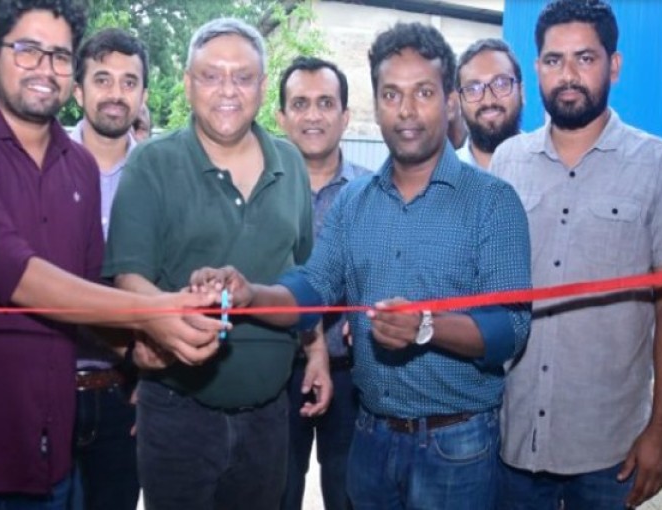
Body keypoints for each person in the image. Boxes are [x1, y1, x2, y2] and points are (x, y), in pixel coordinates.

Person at [191, 22, 532, 510]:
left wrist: (426, 327)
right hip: (369, 440)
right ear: (376, 104)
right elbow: (312, 288)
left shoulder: (493, 201)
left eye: (423, 93)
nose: (407, 111)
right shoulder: (353, 203)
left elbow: (510, 328)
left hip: (457, 448)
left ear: (451, 101)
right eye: (392, 94)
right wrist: (252, 294)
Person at [0, 1, 223, 506]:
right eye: (27, 50)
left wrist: (143, 352)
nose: (44, 69)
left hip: (52, 456)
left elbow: (90, 295)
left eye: (58, 55)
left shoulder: (80, 168)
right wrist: (156, 310)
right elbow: (11, 272)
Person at [102, 18, 325, 510]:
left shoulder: (291, 168)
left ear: (263, 88)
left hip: (269, 416)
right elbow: (128, 277)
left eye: (243, 77)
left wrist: (317, 354)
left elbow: (306, 276)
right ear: (187, 84)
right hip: (177, 414)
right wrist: (170, 313)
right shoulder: (152, 164)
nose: (228, 90)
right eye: (211, 76)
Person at [488, 1, 662, 508]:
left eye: (585, 59)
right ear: (536, 67)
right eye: (553, 60)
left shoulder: (660, 165)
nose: (568, 75)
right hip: (513, 438)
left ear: (614, 65)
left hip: (611, 448)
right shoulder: (507, 162)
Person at [275, 56, 372, 510]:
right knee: (274, 495)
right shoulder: (257, 194)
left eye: (325, 103)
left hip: (354, 380)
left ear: (345, 116)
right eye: (300, 103)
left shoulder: (375, 193)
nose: (313, 115)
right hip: (275, 378)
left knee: (349, 498)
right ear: (280, 117)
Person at [68, 27, 148, 510]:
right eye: (102, 79)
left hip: (127, 397)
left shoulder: (160, 176)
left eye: (128, 81)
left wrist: (157, 385)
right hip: (44, 389)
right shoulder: (41, 165)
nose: (115, 94)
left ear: (142, 94)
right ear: (78, 90)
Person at [455, 38, 524, 169]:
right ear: (460, 102)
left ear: (521, 92)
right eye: (473, 89)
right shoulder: (439, 181)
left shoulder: (550, 171)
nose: (488, 100)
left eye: (501, 84)